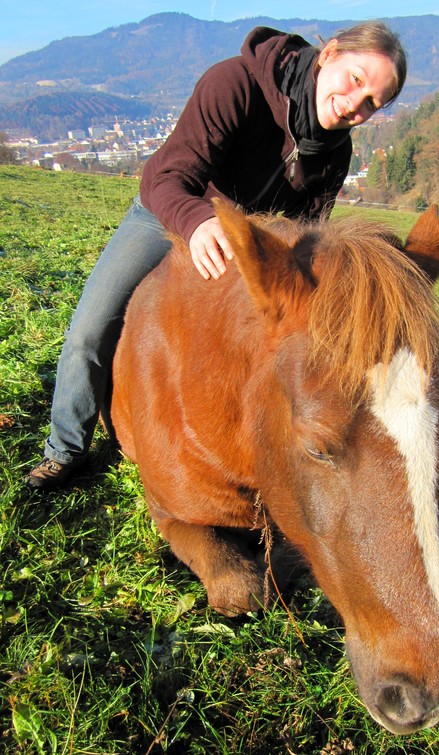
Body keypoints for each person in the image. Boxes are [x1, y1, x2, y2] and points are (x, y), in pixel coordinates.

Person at [26, 21, 407, 489]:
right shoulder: (235, 84)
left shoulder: (335, 152)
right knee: (92, 328)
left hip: (247, 248)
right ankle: (65, 448)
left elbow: (308, 232)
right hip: (171, 215)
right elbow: (165, 177)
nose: (355, 105)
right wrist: (198, 221)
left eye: (372, 102)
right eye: (356, 80)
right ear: (328, 55)